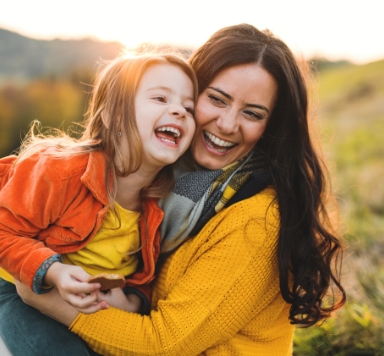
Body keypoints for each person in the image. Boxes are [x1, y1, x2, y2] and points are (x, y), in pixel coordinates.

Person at [12, 23, 346, 356]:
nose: (228, 125)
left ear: (271, 127)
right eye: (216, 99)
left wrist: (45, 293)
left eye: (253, 113)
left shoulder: (255, 219)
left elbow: (163, 343)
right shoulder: (164, 186)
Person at [0, 51, 197, 355]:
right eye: (160, 98)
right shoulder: (60, 170)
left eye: (188, 106)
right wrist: (52, 271)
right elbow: (4, 232)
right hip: (18, 287)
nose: (180, 111)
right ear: (112, 115)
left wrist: (131, 301)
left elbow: (141, 275)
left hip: (90, 307)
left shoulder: (160, 205)